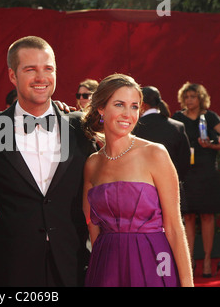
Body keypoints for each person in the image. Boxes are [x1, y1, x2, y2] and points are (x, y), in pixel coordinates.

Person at [0, 36, 96, 286]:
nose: (41, 77)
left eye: (48, 69)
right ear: (12, 75)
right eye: (30, 69)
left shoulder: (81, 127)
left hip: (73, 264)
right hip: (12, 267)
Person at [82, 73, 193, 287]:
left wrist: (187, 284)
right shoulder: (92, 164)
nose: (128, 114)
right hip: (106, 265)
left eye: (134, 106)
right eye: (119, 104)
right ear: (101, 109)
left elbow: (174, 227)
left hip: (154, 260)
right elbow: (93, 227)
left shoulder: (155, 154)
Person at [172, 82, 220, 277]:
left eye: (193, 96)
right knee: (188, 217)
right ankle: (189, 260)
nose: (189, 100)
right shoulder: (177, 117)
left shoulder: (209, 117)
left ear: (201, 98)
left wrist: (212, 145)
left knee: (208, 216)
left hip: (207, 172)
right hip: (186, 173)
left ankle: (207, 261)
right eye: (187, 96)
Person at [132, 86, 191, 190]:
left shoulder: (134, 127)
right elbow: (185, 160)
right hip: (172, 185)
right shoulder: (177, 126)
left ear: (142, 104)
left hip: (142, 187)